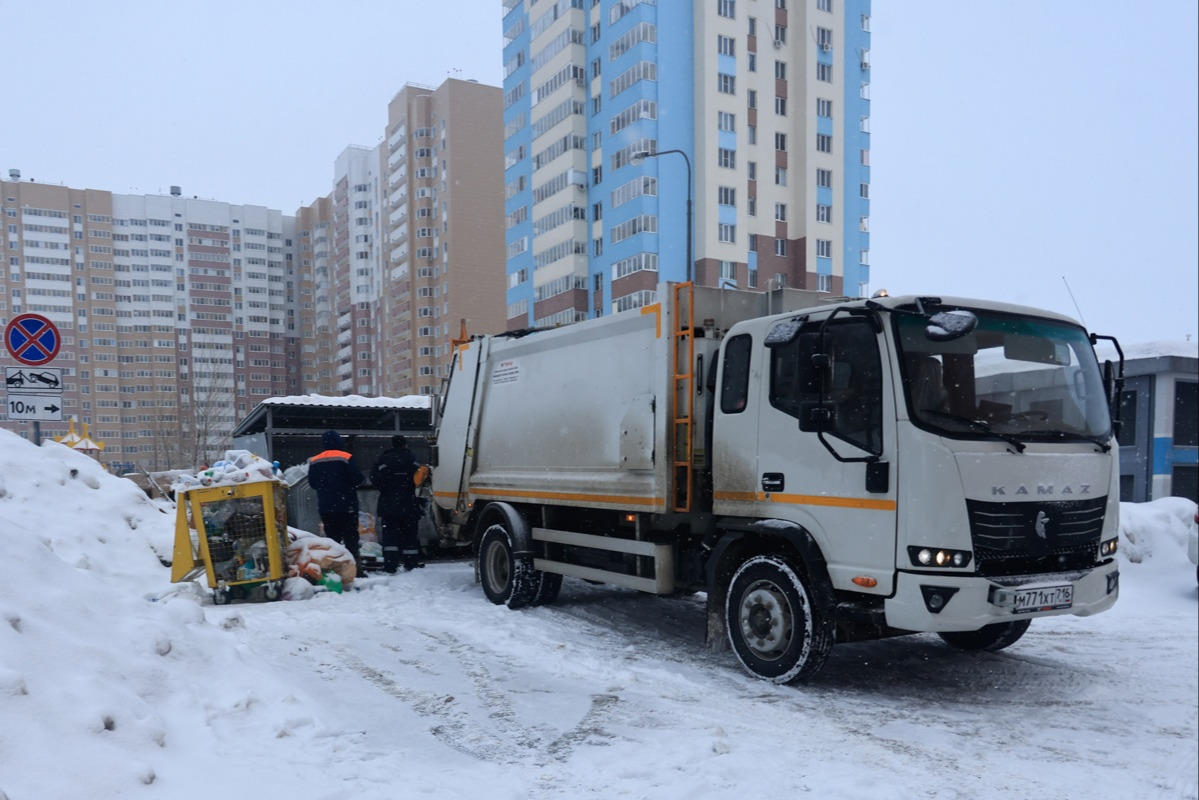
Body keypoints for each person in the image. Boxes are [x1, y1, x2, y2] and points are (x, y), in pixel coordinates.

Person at [307, 430, 365, 571]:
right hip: (347, 506)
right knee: (351, 538)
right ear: (339, 441)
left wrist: (326, 487)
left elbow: (312, 483)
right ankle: (354, 569)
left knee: (332, 540)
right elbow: (358, 479)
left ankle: (335, 569)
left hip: (326, 507)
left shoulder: (315, 460)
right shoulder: (346, 457)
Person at [370, 435, 426, 573]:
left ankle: (390, 565)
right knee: (410, 535)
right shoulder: (413, 461)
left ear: (392, 445)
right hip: (410, 503)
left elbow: (374, 479)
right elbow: (422, 480)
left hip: (388, 505)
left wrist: (387, 488)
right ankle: (411, 564)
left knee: (390, 536)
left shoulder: (383, 461)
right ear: (405, 445)